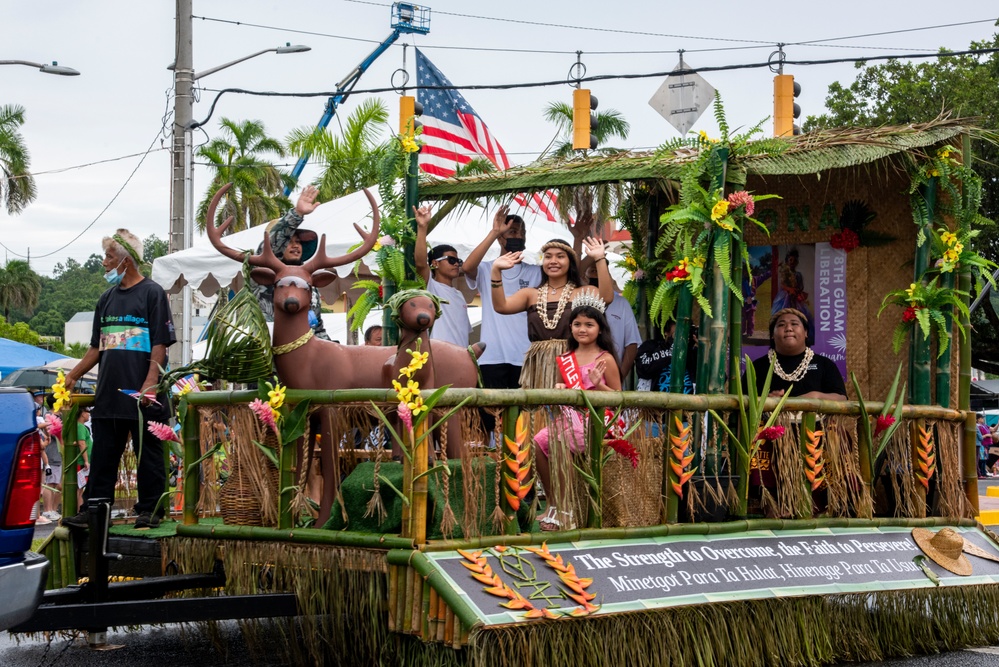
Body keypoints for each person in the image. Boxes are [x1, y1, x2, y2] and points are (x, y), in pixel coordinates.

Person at [62, 229, 176, 530]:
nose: (104, 262)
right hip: (109, 395)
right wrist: (72, 376)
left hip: (143, 396)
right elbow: (96, 348)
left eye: (109, 257)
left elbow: (160, 344)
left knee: (148, 457)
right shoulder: (106, 299)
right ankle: (95, 510)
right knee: (102, 458)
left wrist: (150, 384)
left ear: (125, 262)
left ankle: (150, 510)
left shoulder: (153, 293)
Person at [533, 300, 621, 531]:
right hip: (571, 418)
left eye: (589, 324)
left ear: (600, 328)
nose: (582, 329)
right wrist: (561, 388)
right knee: (538, 441)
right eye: (577, 324)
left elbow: (620, 397)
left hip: (600, 420)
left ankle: (566, 510)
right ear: (570, 327)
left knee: (561, 440)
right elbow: (567, 389)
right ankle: (553, 503)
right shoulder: (566, 358)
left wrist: (597, 386)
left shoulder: (606, 359)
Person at [746, 308, 846, 508]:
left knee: (838, 437)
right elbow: (746, 400)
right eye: (781, 325)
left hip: (816, 431)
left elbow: (841, 398)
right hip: (772, 431)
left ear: (806, 333)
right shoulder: (757, 366)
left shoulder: (824, 364)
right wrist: (766, 400)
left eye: (794, 324)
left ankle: (822, 508)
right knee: (757, 440)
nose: (788, 328)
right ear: (773, 335)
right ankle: (771, 507)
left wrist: (816, 397)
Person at [490, 237, 613, 389]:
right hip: (538, 363)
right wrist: (496, 271)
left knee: (569, 410)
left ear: (570, 262)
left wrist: (599, 258)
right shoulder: (530, 294)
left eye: (560, 256)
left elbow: (607, 297)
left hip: (571, 360)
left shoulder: (582, 292)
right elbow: (501, 306)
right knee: (539, 411)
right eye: (548, 256)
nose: (553, 261)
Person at [462, 206, 542, 389]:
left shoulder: (535, 272)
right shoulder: (486, 268)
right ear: (501, 238)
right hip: (491, 356)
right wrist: (494, 232)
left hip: (525, 356)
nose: (518, 237)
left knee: (524, 416)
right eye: (513, 232)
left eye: (522, 233)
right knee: (491, 416)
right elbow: (467, 267)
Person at [250, 184, 330, 341]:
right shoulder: (264, 273)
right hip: (267, 355)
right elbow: (270, 247)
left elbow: (317, 327)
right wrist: (297, 213)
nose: (296, 245)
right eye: (289, 241)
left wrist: (335, 352)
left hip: (303, 356)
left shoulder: (308, 284)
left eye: (299, 242)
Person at [413, 204, 472, 347]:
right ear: (435, 263)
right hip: (439, 357)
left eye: (458, 261)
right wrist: (422, 227)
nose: (457, 264)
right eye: (451, 260)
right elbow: (421, 264)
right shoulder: (430, 287)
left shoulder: (459, 295)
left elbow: (464, 333)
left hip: (461, 359)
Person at [582, 258, 641, 383]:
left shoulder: (621, 303)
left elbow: (632, 343)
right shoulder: (577, 299)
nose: (596, 274)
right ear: (584, 275)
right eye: (592, 270)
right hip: (580, 377)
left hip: (611, 379)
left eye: (599, 270)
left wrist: (619, 377)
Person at [771, 248, 814, 343]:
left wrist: (797, 290)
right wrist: (789, 289)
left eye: (794, 261)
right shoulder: (785, 272)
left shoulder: (798, 274)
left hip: (795, 296)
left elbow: (801, 285)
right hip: (785, 296)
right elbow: (782, 284)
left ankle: (801, 336)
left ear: (797, 262)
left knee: (799, 315)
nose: (792, 262)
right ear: (787, 261)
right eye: (790, 260)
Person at [75, 407, 93, 507]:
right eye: (87, 412)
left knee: (81, 488)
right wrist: (86, 460)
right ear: (82, 414)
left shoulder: (81, 426)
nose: (89, 414)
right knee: (80, 489)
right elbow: (82, 443)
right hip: (81, 462)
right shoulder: (80, 427)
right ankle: (79, 509)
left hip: (83, 462)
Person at [977, 414, 991, 478]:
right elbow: (980, 437)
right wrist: (986, 435)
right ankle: (981, 473)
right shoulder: (978, 426)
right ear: (978, 419)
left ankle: (983, 472)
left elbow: (993, 429)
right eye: (982, 418)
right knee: (981, 459)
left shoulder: (984, 425)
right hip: (982, 444)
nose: (983, 419)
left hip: (986, 445)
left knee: (985, 459)